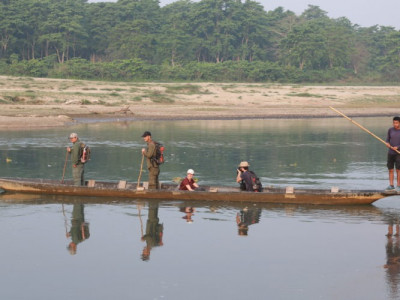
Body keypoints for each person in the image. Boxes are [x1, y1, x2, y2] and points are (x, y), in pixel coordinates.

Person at [385, 116, 400, 191]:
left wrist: (397, 147)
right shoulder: (390, 130)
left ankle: (399, 186)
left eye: (396, 123)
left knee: (398, 170)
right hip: (391, 153)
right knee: (390, 169)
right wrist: (387, 143)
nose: (395, 124)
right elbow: (387, 139)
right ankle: (391, 185)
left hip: (398, 153)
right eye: (394, 123)